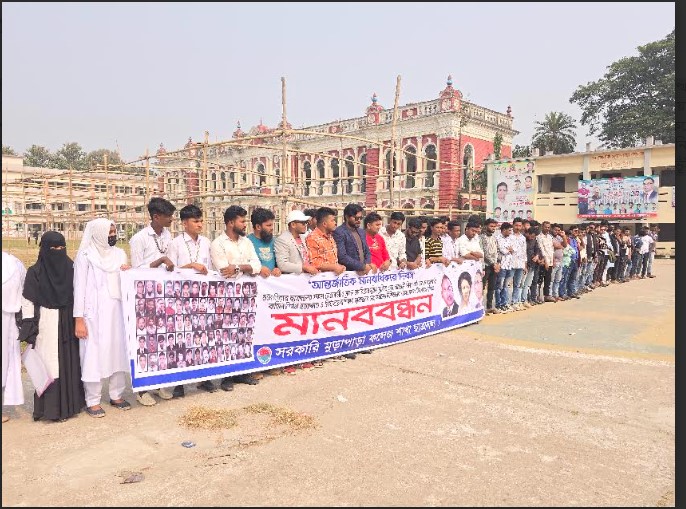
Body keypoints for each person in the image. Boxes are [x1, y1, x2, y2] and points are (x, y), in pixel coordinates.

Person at [73, 219, 132, 418]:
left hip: (117, 313)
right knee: (93, 355)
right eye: (109, 232)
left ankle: (116, 395)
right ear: (98, 233)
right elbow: (79, 288)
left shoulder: (120, 254)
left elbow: (125, 282)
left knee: (117, 351)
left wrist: (128, 273)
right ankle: (93, 400)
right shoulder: (86, 256)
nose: (113, 235)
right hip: (93, 315)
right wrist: (78, 319)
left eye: (114, 232)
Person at [129, 197, 176, 406]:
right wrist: (160, 261)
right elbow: (136, 270)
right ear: (156, 217)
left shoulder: (167, 235)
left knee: (162, 342)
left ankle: (157, 383)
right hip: (144, 298)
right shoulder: (139, 239)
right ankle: (142, 390)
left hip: (164, 296)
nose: (171, 219)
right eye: (168, 216)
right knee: (145, 343)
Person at [166, 204, 218, 396]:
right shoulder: (176, 243)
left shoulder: (206, 242)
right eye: (196, 221)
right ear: (184, 223)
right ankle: (179, 382)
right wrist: (191, 266)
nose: (200, 224)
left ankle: (204, 378)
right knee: (182, 339)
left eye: (201, 220)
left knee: (203, 337)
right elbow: (170, 270)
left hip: (202, 296)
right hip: (182, 298)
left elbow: (211, 268)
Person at [210, 205, 262, 390]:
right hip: (225, 296)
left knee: (244, 334)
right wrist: (245, 268)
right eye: (242, 221)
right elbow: (225, 271)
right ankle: (227, 377)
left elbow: (257, 266)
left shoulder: (246, 242)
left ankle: (242, 372)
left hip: (246, 295)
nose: (245, 224)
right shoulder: (218, 244)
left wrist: (239, 267)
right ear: (231, 222)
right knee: (226, 335)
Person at [2, 252, 26, 422]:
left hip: (8, 322)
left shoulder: (14, 263)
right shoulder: (14, 263)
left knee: (5, 364)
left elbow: (24, 289)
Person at [333, 204, 375, 278]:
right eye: (356, 218)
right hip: (348, 275)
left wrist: (366, 265)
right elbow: (342, 256)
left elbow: (367, 252)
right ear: (347, 217)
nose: (359, 220)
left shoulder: (361, 232)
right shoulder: (339, 232)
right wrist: (361, 266)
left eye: (360, 218)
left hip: (364, 274)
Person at [247, 207, 281, 278]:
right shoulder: (246, 242)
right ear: (258, 227)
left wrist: (277, 269)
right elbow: (243, 263)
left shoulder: (275, 241)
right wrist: (259, 269)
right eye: (268, 225)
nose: (272, 228)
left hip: (273, 283)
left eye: (272, 225)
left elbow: (279, 261)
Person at [479, 218, 500, 314]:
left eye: (494, 226)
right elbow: (484, 253)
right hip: (486, 266)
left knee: (492, 287)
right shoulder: (482, 237)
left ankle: (489, 306)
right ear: (486, 226)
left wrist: (498, 263)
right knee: (482, 287)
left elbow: (497, 251)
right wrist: (493, 263)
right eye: (491, 226)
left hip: (494, 266)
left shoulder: (494, 238)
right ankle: (480, 307)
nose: (493, 228)